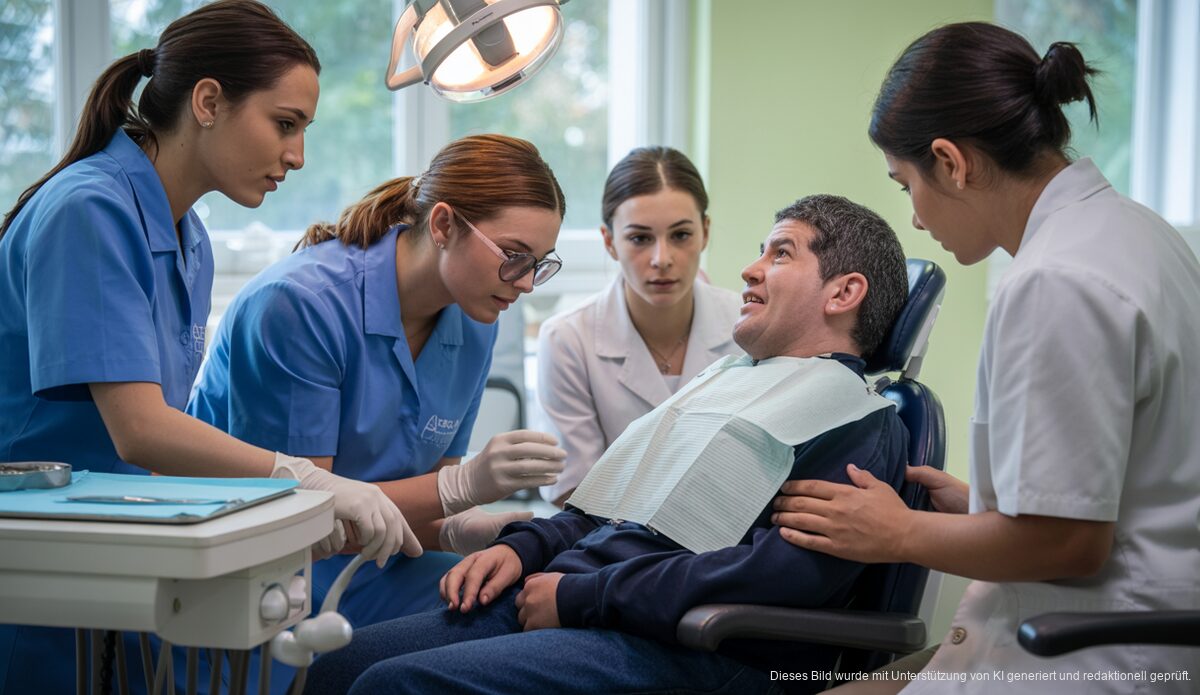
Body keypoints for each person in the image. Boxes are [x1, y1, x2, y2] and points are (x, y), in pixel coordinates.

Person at [302, 193, 913, 695]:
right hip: (581, 599)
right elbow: (618, 508)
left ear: (842, 293)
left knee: (398, 687)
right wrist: (526, 547)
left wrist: (586, 596)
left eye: (781, 254)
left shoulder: (853, 419)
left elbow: (780, 577)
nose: (751, 270)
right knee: (337, 667)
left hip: (688, 643)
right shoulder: (728, 383)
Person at [772, 22, 1200, 694]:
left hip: (1089, 658)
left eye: (906, 182)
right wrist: (985, 507)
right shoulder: (1140, 233)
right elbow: (1134, 487)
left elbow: (1068, 544)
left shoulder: (1054, 280)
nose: (914, 217)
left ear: (951, 161)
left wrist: (899, 531)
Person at [0, 2, 412, 691]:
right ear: (210, 101)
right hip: (42, 562)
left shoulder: (190, 240)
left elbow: (164, 450)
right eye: (285, 124)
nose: (297, 156)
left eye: (306, 131)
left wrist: (278, 515)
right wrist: (303, 477)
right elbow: (140, 432)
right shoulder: (88, 209)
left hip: (121, 550)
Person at [187, 134, 569, 640]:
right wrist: (463, 486)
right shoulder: (301, 306)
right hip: (265, 574)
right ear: (443, 224)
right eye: (514, 256)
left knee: (538, 604)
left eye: (539, 265)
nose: (524, 284)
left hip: (381, 563)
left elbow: (425, 510)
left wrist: (470, 530)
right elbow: (299, 519)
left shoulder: (476, 319)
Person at [537, 146, 741, 506]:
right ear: (608, 241)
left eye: (680, 235)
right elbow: (573, 490)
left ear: (705, 232)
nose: (662, 259)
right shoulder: (568, 340)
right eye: (640, 238)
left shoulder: (747, 327)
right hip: (607, 547)